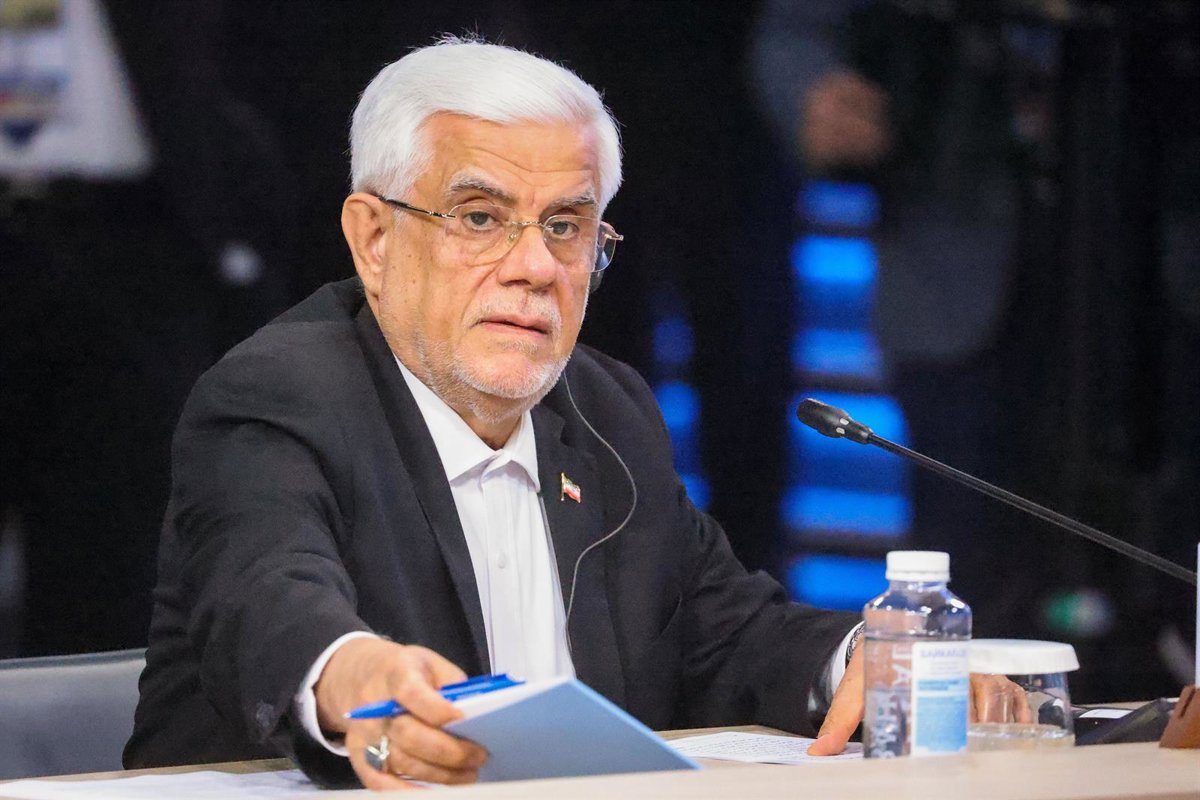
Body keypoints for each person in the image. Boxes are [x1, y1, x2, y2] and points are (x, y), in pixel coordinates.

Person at [123, 38, 884, 790]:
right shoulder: (275, 395)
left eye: (565, 227)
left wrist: (866, 657)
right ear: (374, 239)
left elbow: (730, 633)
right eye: (481, 219)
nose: (534, 268)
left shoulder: (607, 411)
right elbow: (266, 594)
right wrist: (358, 673)